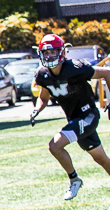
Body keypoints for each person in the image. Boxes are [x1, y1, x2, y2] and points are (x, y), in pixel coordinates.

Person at [30, 34, 110, 200]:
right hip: (74, 120)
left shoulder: (75, 68)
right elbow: (44, 97)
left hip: (88, 115)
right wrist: (37, 110)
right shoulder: (42, 74)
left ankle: (74, 179)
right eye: (46, 52)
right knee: (101, 159)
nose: (49, 56)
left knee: (55, 146)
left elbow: (107, 73)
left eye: (53, 52)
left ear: (62, 52)